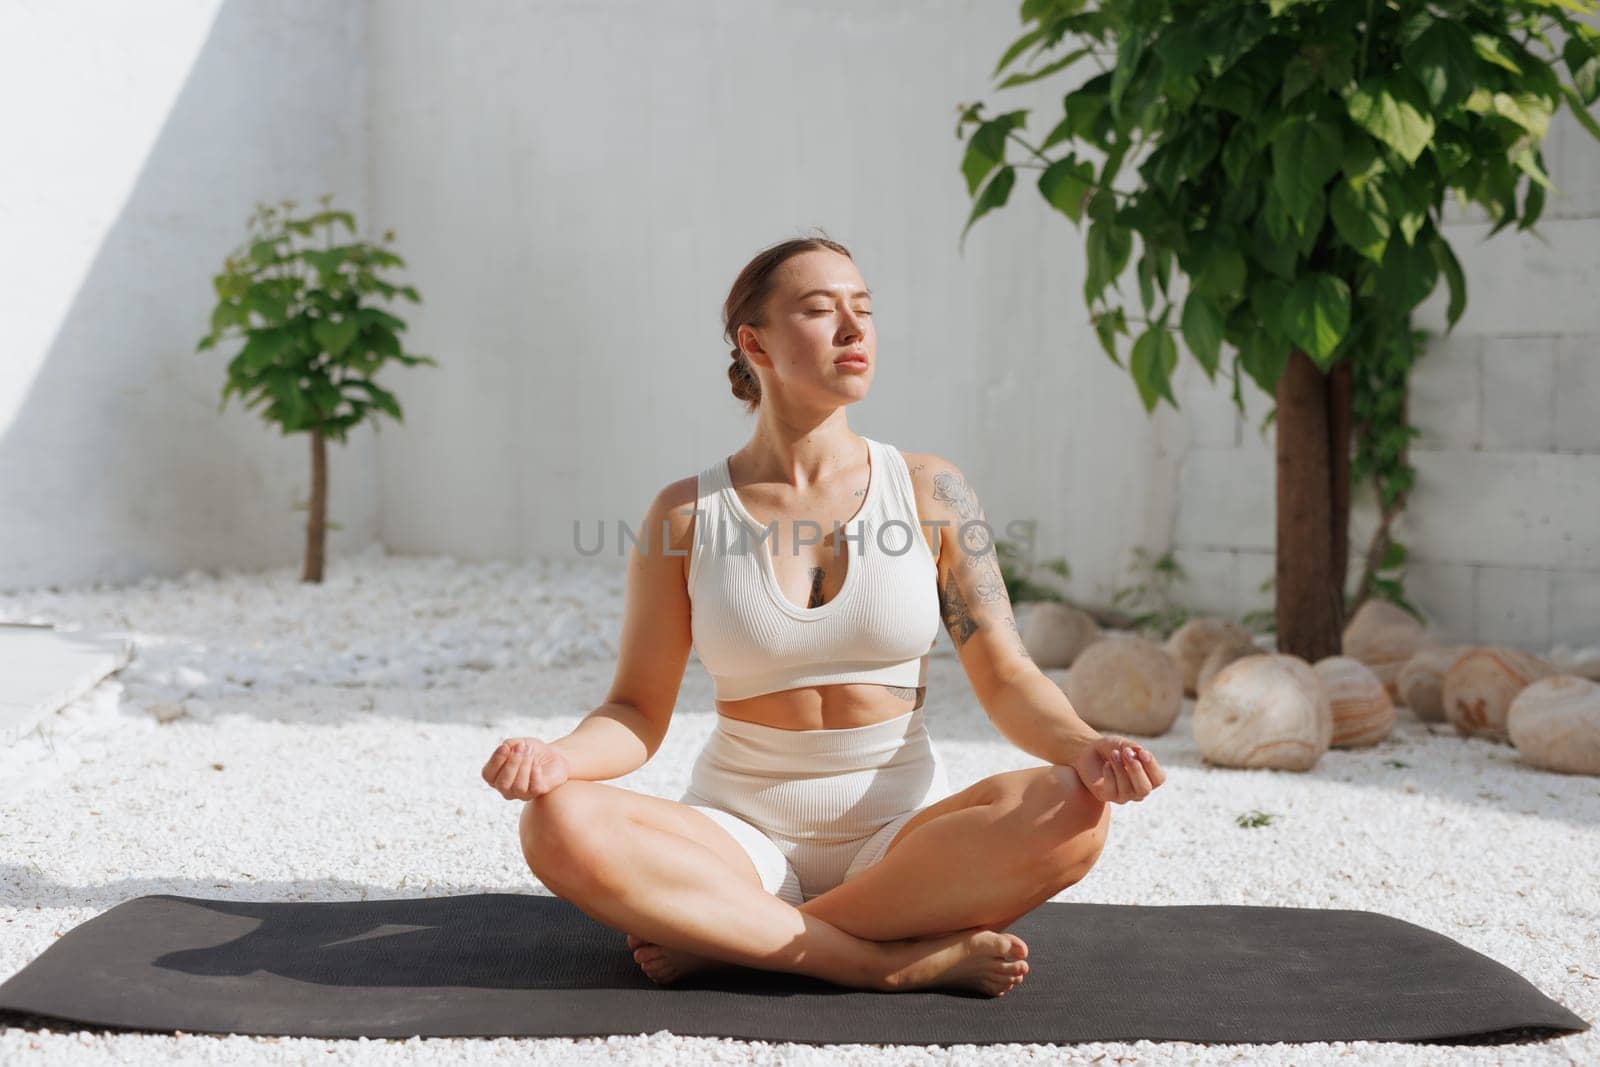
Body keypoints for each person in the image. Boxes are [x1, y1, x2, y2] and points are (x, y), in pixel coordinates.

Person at [481, 235, 1167, 996]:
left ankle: (737, 935)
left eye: (864, 310)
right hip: (736, 834)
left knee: (1074, 807)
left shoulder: (932, 490)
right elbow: (636, 708)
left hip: (898, 843)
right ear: (755, 343)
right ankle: (879, 962)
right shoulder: (684, 513)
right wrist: (560, 758)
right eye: (819, 309)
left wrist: (1084, 744)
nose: (854, 329)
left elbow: (1007, 674)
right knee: (556, 820)